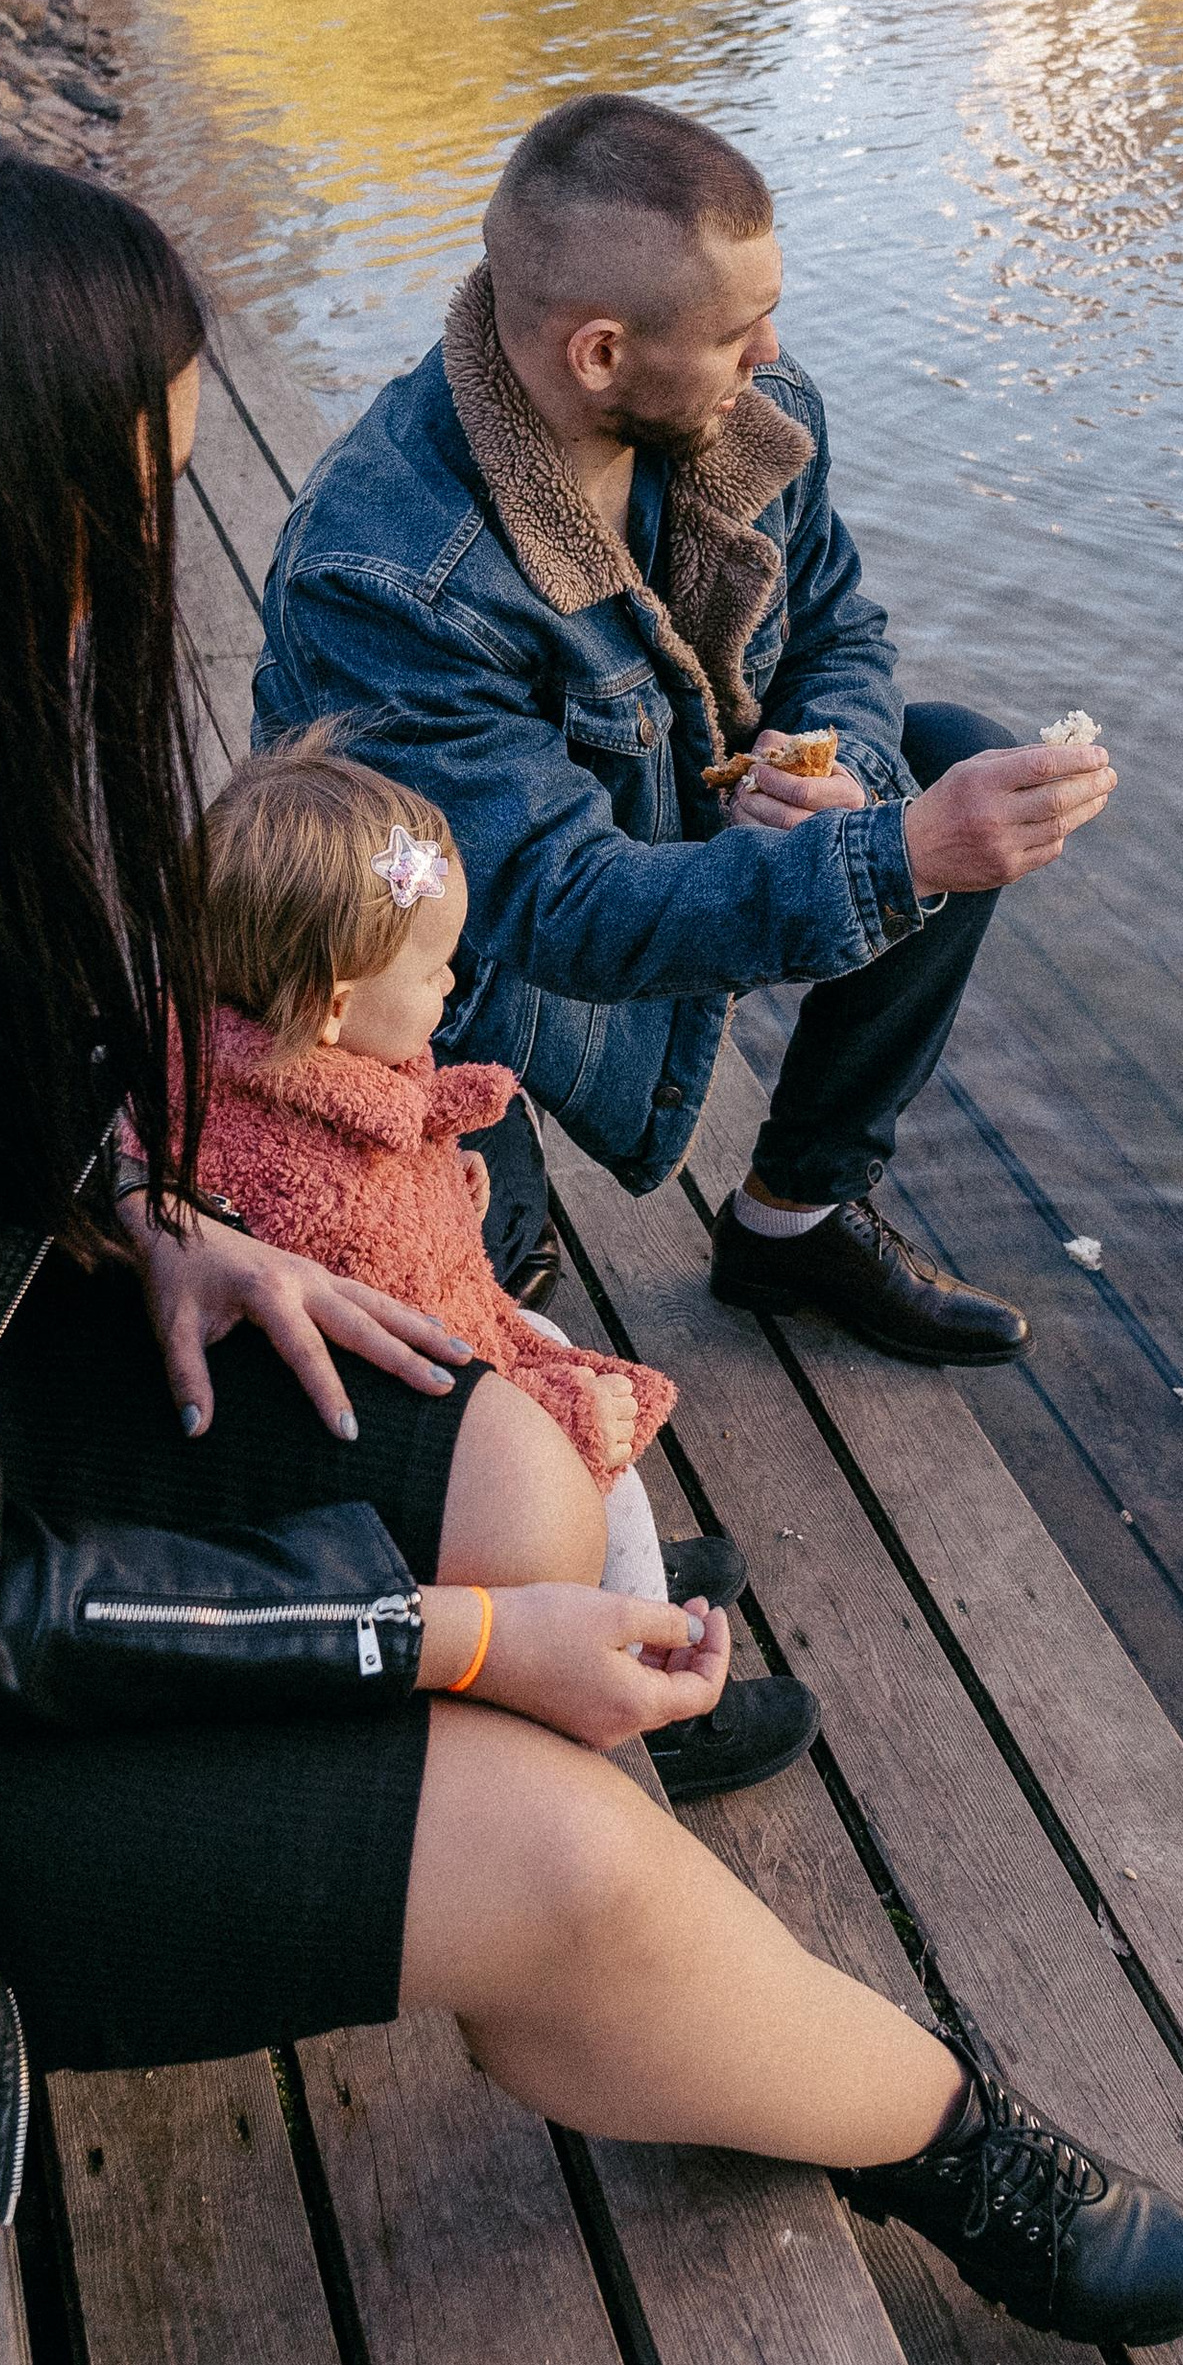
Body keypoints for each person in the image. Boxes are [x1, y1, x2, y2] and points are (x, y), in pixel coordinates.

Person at [0, 125, 1183, 2365]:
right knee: (557, 1838)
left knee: (509, 1459)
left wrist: (141, 1214)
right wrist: (460, 1652)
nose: (155, 573)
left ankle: (635, 1964)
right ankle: (930, 2136)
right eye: (124, 514)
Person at [256, 91, 1115, 1368]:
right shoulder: (380, 574)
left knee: (944, 750)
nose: (772, 350)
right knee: (480, 1300)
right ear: (599, 353)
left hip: (638, 817)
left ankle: (794, 1221)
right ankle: (488, 1222)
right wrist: (896, 857)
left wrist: (848, 780)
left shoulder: (748, 411)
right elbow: (553, 907)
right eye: (736, 328)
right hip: (439, 945)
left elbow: (841, 632)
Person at [195, 727, 806, 1807]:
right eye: (433, 971)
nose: (451, 984)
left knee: (566, 1364)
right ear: (335, 1006)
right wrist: (549, 1405)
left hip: (347, 1384)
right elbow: (426, 1323)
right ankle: (643, 1683)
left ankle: (632, 1580)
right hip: (383, 1432)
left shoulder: (229, 1045)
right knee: (584, 1429)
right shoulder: (328, 1185)